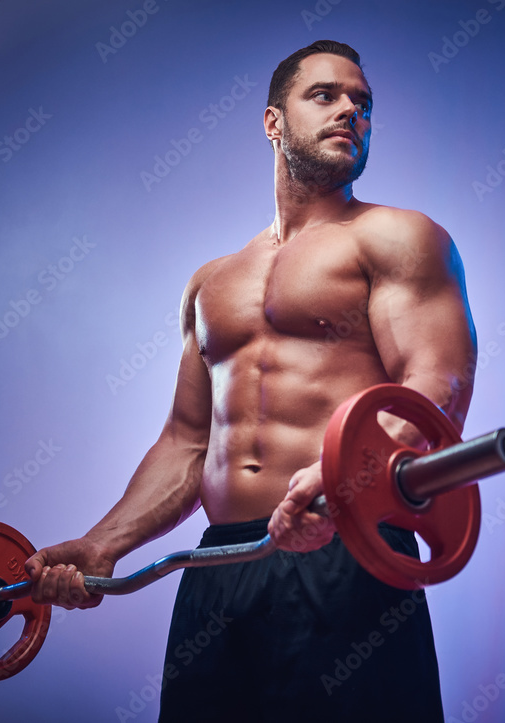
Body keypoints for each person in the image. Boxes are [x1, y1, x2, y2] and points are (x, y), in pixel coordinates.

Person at [25, 40, 476, 721]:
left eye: (364, 103)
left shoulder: (398, 238)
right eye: (325, 95)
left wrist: (345, 482)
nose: (351, 110)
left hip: (346, 556)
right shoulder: (212, 282)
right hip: (220, 569)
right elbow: (184, 444)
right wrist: (103, 543)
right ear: (273, 122)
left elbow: (434, 386)